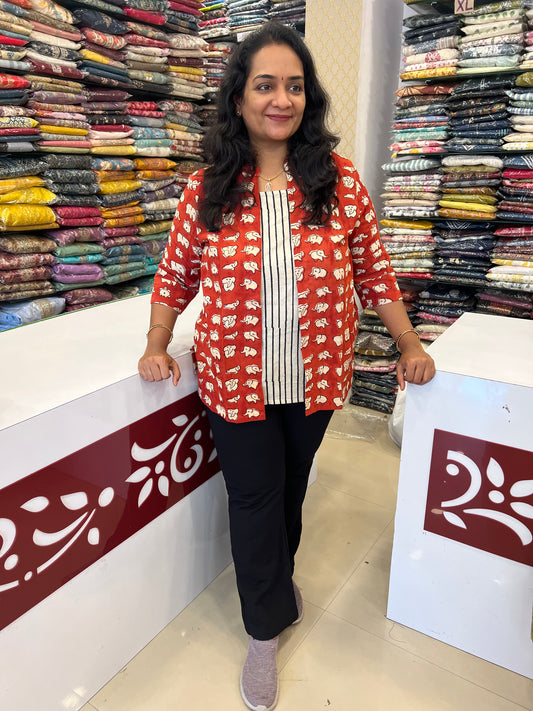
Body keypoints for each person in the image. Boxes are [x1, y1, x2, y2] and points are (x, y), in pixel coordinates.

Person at [138, 21, 435, 711]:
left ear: (308, 97)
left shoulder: (338, 181)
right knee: (253, 499)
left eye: (294, 86)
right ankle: (263, 630)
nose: (281, 99)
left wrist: (409, 343)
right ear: (238, 98)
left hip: (315, 376)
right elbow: (175, 275)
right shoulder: (207, 188)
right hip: (235, 378)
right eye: (265, 85)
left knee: (290, 490)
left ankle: (273, 586)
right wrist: (156, 341)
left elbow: (373, 270)